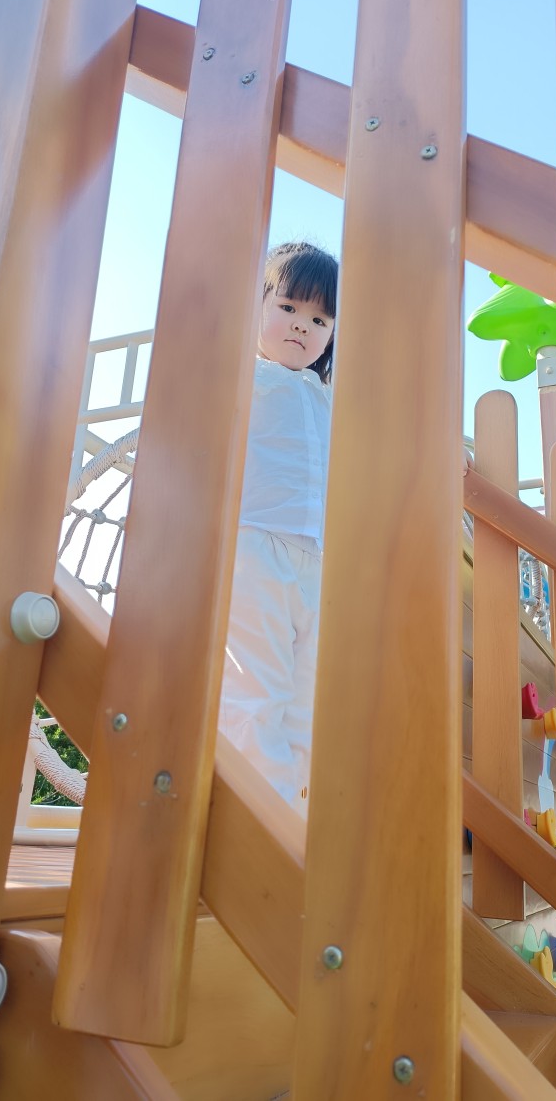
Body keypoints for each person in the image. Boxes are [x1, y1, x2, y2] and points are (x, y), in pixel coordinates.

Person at [219, 242, 337, 817]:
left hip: (319, 562)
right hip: (255, 546)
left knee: (310, 705)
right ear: (257, 305)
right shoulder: (245, 376)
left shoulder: (332, 400)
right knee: (255, 689)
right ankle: (253, 825)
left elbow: (382, 449)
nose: (301, 326)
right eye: (288, 307)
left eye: (319, 320)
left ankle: (293, 829)